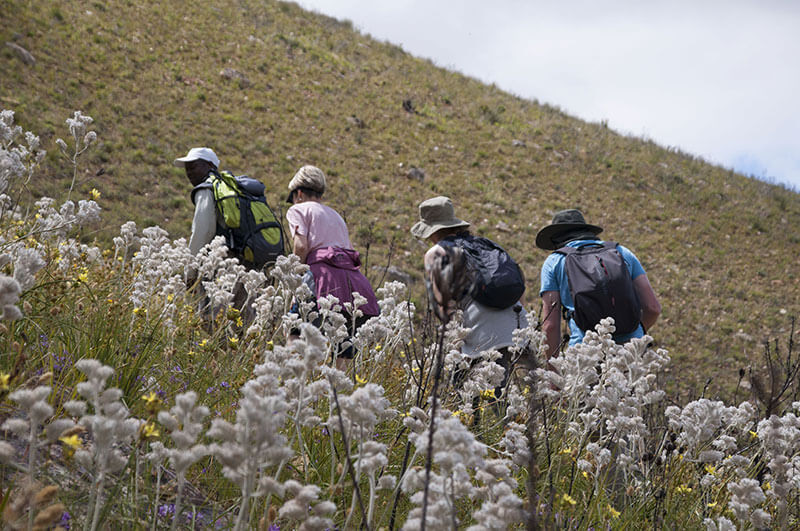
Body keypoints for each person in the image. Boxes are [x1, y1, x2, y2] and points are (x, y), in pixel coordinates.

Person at [411, 196, 529, 397]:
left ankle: (482, 426)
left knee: (467, 392)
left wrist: (453, 342)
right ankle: (509, 425)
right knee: (503, 389)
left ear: (432, 230)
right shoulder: (485, 244)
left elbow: (443, 306)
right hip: (516, 322)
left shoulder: (436, 252)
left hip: (482, 328)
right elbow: (519, 285)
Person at [285, 165, 379, 368]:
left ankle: (290, 381)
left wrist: (294, 279)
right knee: (343, 342)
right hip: (352, 282)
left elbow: (301, 246)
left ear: (298, 193)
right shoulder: (335, 215)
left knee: (296, 330)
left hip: (319, 276)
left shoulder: (297, 209)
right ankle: (337, 392)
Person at [536, 209, 661, 360]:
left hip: (586, 355)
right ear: (587, 230)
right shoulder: (622, 252)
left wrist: (552, 372)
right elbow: (653, 308)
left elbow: (550, 325)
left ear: (556, 240)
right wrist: (635, 333)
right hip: (631, 354)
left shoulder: (554, 262)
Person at [173, 147, 253, 326]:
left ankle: (218, 354)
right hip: (247, 263)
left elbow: (203, 231)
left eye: (193, 167)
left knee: (213, 323)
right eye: (187, 168)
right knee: (244, 324)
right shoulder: (235, 188)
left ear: (210, 165)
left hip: (219, 266)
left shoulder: (207, 188)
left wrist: (190, 272)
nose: (189, 173)